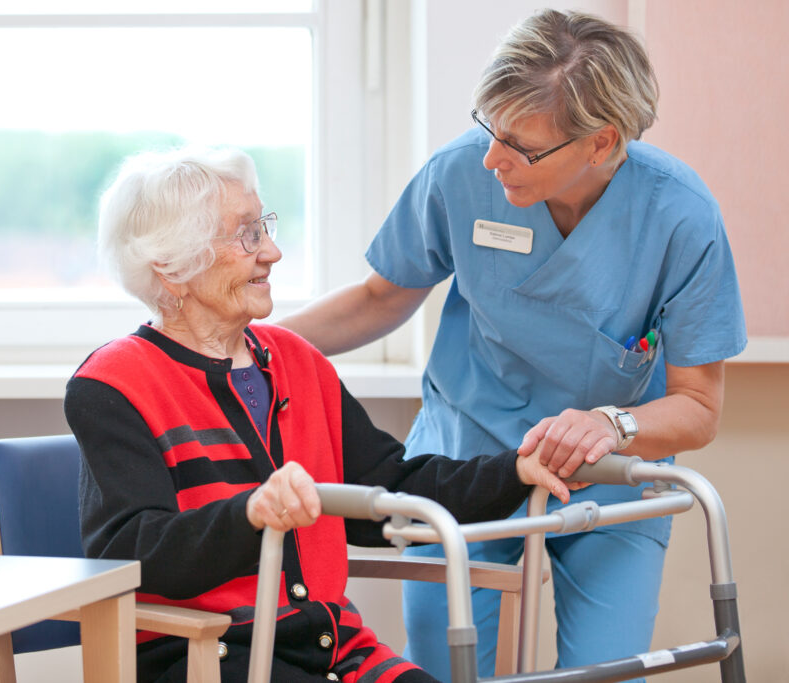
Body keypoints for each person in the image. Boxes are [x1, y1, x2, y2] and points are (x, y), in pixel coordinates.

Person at [279, 9, 747, 682]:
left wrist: (612, 424)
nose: (494, 158)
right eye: (489, 129)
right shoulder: (462, 175)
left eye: (521, 145)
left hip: (606, 466)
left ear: (600, 142)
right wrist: (250, 344)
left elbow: (698, 404)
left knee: (605, 671)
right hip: (469, 448)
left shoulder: (679, 216)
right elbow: (380, 298)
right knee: (445, 664)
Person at [65, 146, 575, 682]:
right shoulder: (114, 384)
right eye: (247, 235)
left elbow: (389, 489)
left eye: (264, 228)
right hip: (207, 656)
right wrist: (250, 515)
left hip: (333, 650)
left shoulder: (295, 361)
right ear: (172, 268)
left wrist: (515, 469)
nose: (273, 252)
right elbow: (131, 551)